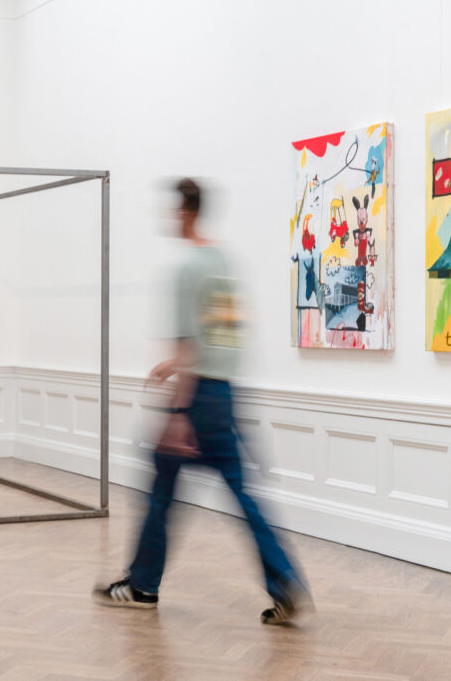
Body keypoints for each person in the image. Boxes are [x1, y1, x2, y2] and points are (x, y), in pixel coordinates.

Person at [93, 178, 312, 625]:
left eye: (173, 211)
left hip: (195, 401)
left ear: (186, 212)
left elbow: (191, 346)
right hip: (224, 394)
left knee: (160, 493)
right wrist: (184, 370)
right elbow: (222, 341)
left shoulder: (188, 270)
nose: (169, 218)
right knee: (243, 497)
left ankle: (142, 584)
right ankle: (285, 581)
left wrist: (177, 413)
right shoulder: (225, 266)